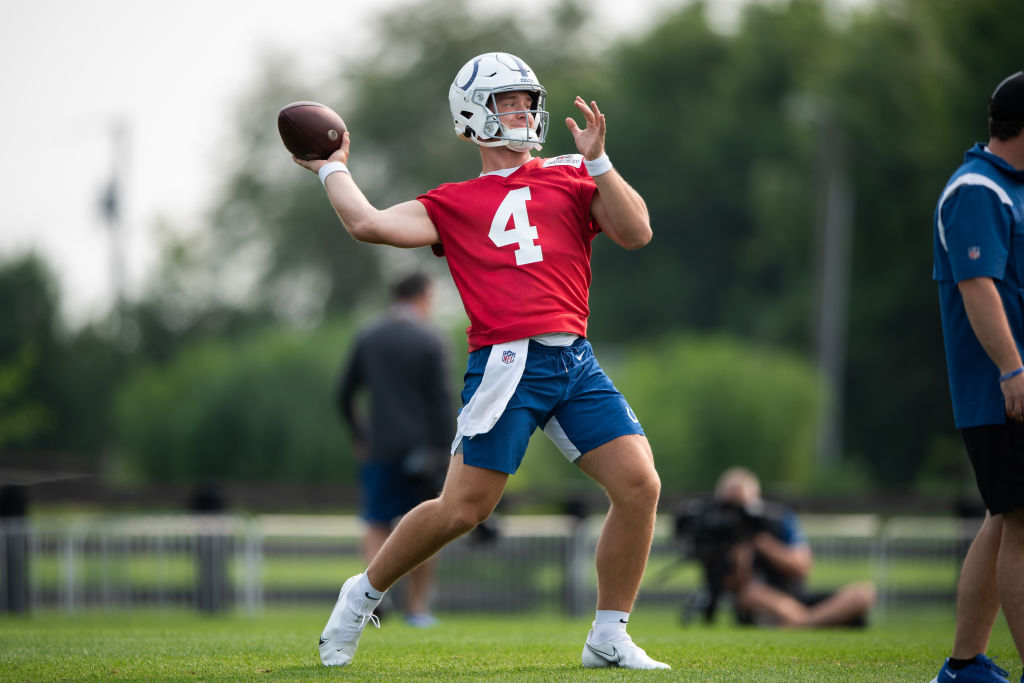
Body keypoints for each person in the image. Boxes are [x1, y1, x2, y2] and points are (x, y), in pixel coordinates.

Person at [294, 51, 669, 670]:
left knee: (639, 485)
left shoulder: (575, 173)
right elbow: (367, 224)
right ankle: (360, 594)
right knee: (463, 509)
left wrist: (600, 161)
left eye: (527, 101)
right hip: (508, 362)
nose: (523, 112)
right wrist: (331, 168)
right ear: (473, 116)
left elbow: (637, 232)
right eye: (508, 102)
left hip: (574, 358)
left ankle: (608, 634)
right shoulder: (453, 203)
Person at [930, 70, 1024, 683]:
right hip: (1004, 391)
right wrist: (1012, 367)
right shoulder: (977, 189)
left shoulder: (1010, 188)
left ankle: (964, 666)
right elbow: (977, 286)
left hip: (1013, 385)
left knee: (1004, 516)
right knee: (1021, 520)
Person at [336, 270, 453, 627]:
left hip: (379, 445)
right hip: (423, 450)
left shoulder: (369, 336)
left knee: (375, 521)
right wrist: (447, 449)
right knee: (427, 525)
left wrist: (359, 433)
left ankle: (373, 597)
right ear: (421, 297)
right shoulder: (431, 339)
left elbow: (343, 393)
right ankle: (416, 609)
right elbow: (441, 402)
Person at [711, 467, 875, 628]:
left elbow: (801, 566)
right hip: (761, 604)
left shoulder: (778, 520)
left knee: (864, 594)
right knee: (750, 594)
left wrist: (763, 544)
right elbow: (733, 590)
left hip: (797, 597)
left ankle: (801, 622)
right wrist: (740, 560)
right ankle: (814, 621)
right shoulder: (715, 529)